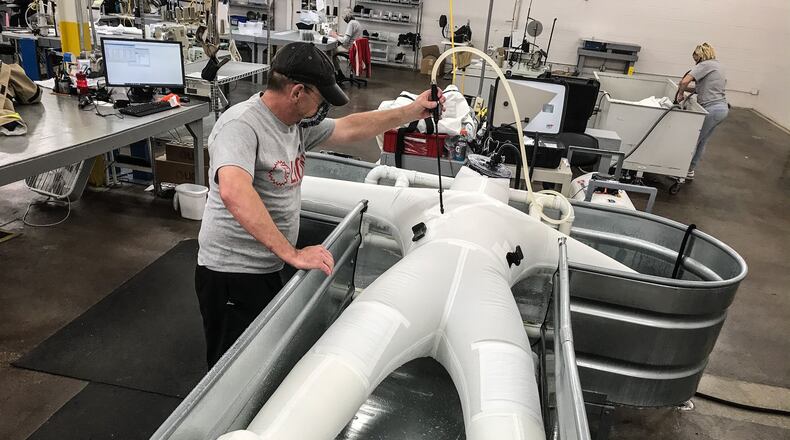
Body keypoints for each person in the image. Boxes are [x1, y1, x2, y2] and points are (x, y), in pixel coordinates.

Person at [195, 42, 444, 367]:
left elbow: (349, 127)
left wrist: (413, 111)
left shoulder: (294, 125)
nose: (325, 105)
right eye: (321, 97)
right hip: (231, 272)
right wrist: (292, 253)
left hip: (263, 266)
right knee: (231, 369)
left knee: (257, 357)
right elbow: (233, 190)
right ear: (297, 92)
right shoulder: (241, 126)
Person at [676, 42, 728, 180]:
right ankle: (689, 170)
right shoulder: (718, 66)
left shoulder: (705, 64)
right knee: (702, 140)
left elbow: (684, 81)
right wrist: (682, 88)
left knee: (693, 139)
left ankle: (679, 171)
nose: (695, 63)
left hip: (711, 109)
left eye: (695, 59)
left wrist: (680, 93)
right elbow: (699, 90)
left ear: (700, 56)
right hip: (721, 109)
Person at [329, 9, 363, 73]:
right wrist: (340, 35)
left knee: (330, 52)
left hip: (350, 48)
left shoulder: (351, 23)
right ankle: (338, 72)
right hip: (355, 48)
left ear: (346, 17)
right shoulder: (356, 22)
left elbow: (345, 41)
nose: (344, 20)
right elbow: (351, 37)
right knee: (334, 53)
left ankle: (336, 74)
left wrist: (335, 35)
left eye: (344, 18)